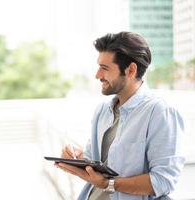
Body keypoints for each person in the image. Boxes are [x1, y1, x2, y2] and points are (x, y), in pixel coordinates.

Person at [55, 32, 185, 200]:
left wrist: (109, 184)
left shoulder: (160, 112)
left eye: (105, 68)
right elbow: (95, 159)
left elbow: (163, 181)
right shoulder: (103, 110)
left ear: (130, 70)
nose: (97, 75)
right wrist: (76, 157)